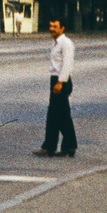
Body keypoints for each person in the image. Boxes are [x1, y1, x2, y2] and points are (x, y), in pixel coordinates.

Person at [37, 17, 76, 157]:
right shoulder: (56, 43)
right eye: (50, 26)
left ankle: (62, 145)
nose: (51, 29)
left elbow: (67, 64)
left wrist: (60, 82)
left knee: (59, 115)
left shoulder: (66, 43)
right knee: (57, 114)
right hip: (56, 79)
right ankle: (61, 146)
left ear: (62, 28)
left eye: (55, 26)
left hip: (61, 80)